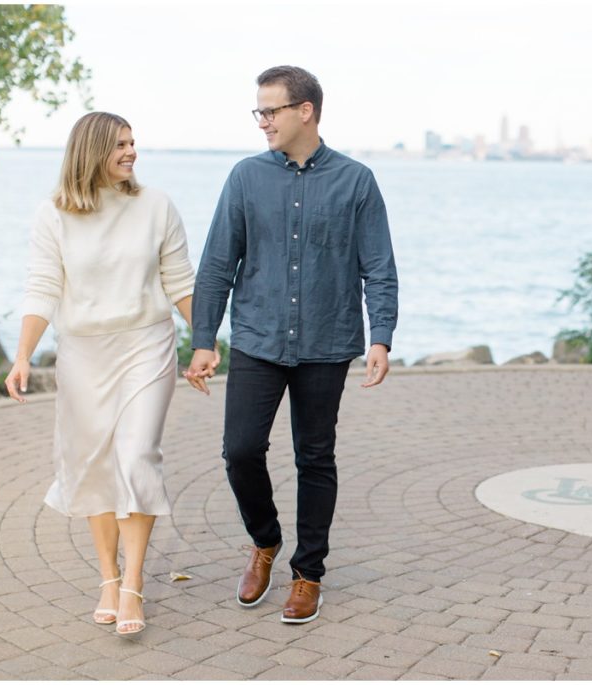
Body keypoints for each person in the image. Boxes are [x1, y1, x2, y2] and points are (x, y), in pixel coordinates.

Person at [187, 65, 399, 624]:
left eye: (270, 110)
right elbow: (216, 265)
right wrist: (203, 339)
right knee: (240, 451)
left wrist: (382, 336)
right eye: (258, 111)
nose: (262, 122)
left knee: (315, 456)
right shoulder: (244, 177)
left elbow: (378, 268)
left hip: (328, 341)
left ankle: (309, 573)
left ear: (305, 110)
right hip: (257, 337)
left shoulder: (357, 181)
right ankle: (265, 540)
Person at [4, 112, 217, 636]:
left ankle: (133, 584)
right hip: (83, 353)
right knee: (95, 465)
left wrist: (205, 340)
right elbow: (42, 288)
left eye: (133, 142)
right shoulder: (52, 215)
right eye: (120, 144)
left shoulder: (155, 205)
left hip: (147, 344)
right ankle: (107, 577)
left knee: (135, 455)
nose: (131, 152)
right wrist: (23, 355)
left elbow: (179, 280)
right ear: (91, 150)